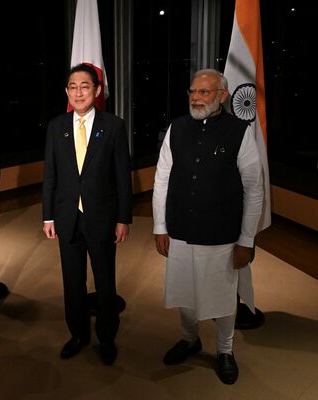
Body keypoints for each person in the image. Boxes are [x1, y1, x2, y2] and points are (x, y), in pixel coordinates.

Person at [152, 69, 263, 384]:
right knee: (184, 289)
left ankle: (225, 350)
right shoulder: (177, 128)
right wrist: (160, 226)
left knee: (222, 296)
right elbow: (161, 179)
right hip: (180, 229)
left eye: (204, 92)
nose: (196, 98)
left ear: (223, 96)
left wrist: (246, 240)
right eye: (193, 91)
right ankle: (190, 339)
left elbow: (254, 189)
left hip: (221, 234)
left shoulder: (239, 131)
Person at [42, 63, 133, 365]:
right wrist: (48, 216)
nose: (78, 92)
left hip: (102, 218)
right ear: (66, 91)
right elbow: (50, 175)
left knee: (105, 283)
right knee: (72, 282)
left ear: (97, 90)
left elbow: (122, 177)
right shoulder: (56, 126)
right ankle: (78, 334)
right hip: (67, 218)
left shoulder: (114, 126)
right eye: (73, 87)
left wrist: (123, 218)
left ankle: (106, 337)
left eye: (85, 86)